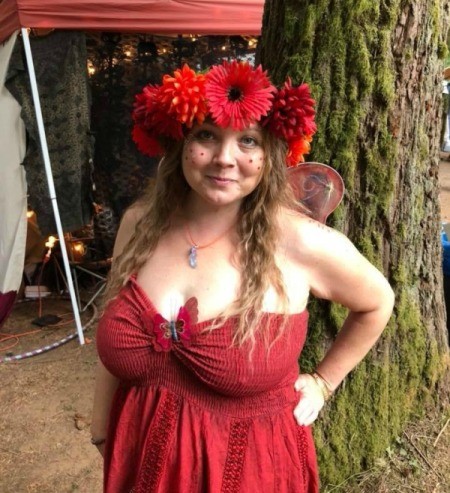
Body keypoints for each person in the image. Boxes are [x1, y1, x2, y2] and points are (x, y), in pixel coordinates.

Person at [91, 61, 395, 493]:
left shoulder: (302, 243)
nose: (224, 159)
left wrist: (324, 382)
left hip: (248, 468)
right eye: (206, 135)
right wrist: (102, 425)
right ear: (180, 144)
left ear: (269, 156)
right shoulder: (139, 224)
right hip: (140, 456)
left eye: (247, 141)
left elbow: (378, 301)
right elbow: (113, 318)